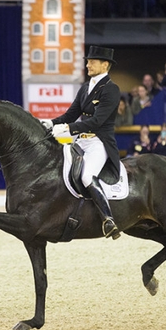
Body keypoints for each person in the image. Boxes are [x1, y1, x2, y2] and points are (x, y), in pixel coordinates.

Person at [40, 45, 121, 239]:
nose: (87, 64)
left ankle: (108, 219)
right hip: (81, 141)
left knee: (86, 176)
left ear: (105, 65)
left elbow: (97, 121)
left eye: (92, 61)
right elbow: (71, 114)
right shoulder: (86, 87)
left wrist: (69, 129)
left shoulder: (111, 89)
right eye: (88, 61)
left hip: (99, 142)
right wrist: (50, 122)